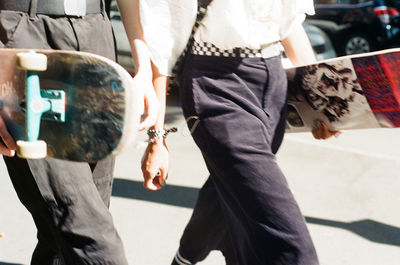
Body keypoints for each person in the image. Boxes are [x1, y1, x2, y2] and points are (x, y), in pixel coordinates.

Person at [138, 0, 342, 264]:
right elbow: (161, 42)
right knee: (291, 245)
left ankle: (186, 257)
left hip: (272, 84)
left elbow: (288, 24)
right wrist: (157, 137)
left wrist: (318, 103)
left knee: (231, 193)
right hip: (215, 86)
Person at [0, 0, 158, 264]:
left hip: (96, 36)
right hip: (25, 37)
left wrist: (144, 68)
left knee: (60, 242)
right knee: (92, 237)